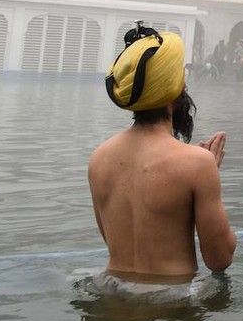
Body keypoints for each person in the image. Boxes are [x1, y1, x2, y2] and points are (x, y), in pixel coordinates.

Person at [89, 23, 235, 280]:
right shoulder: (198, 163)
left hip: (109, 294)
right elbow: (219, 259)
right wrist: (207, 176)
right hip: (170, 304)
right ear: (176, 90)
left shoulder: (99, 158)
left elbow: (112, 241)